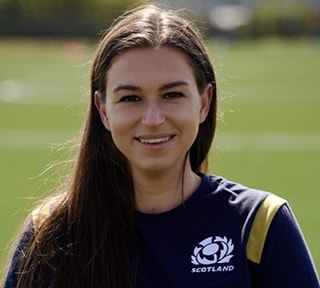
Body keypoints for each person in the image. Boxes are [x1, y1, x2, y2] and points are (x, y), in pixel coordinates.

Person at [3, 4, 319, 288]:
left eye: (172, 95)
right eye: (130, 98)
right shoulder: (51, 232)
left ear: (204, 103)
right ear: (103, 110)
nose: (153, 119)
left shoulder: (260, 225)